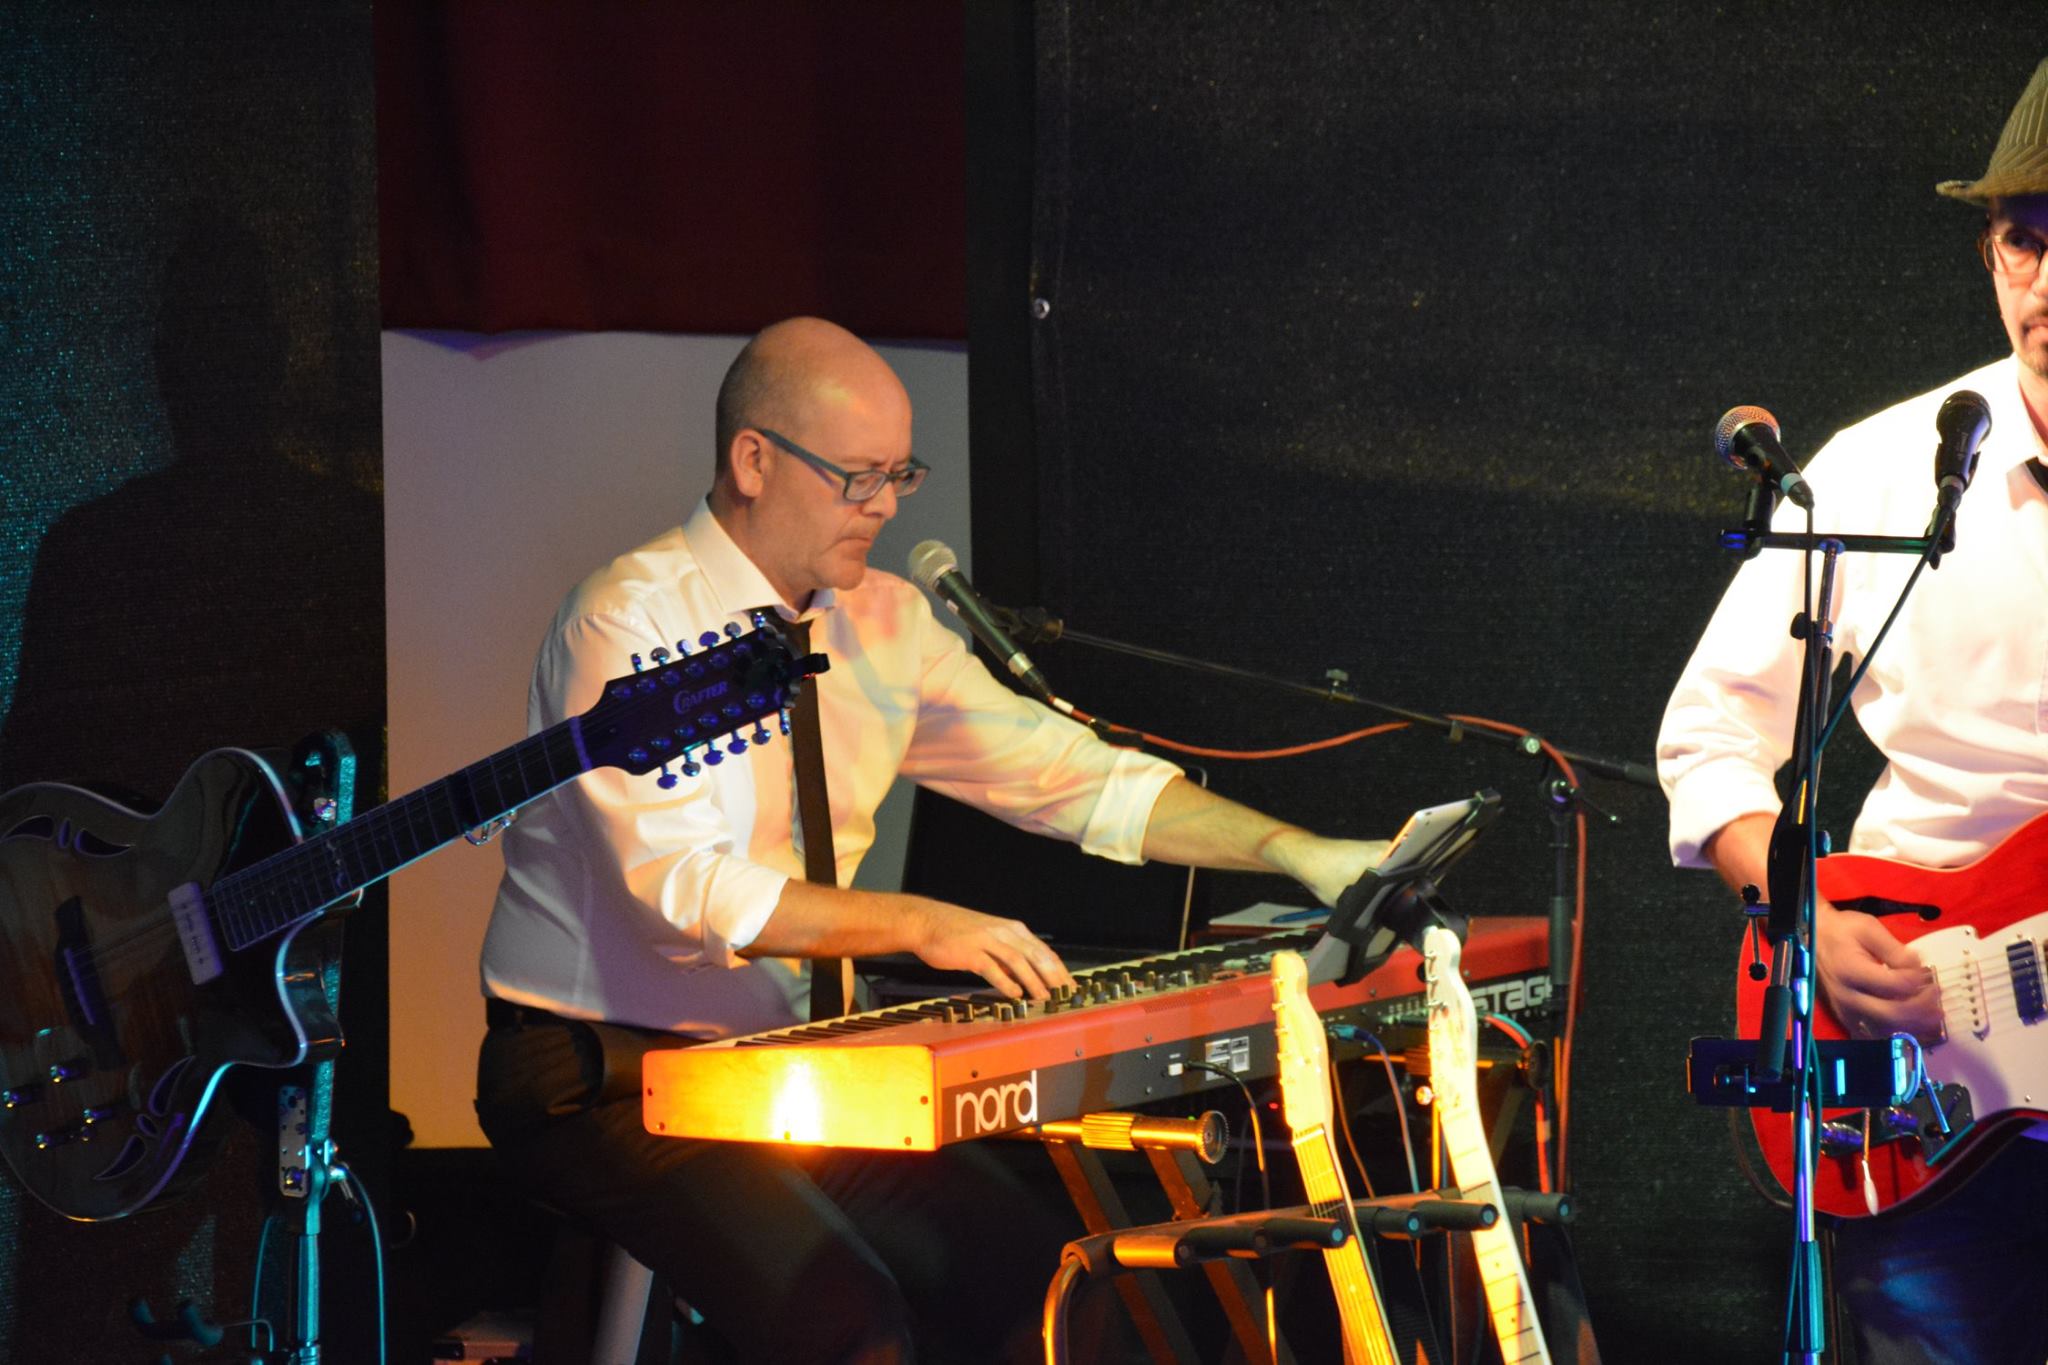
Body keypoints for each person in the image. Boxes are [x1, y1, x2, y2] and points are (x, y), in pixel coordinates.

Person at [474, 316, 1387, 1363]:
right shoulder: (627, 622)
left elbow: (1072, 778)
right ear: (754, 461)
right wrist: (921, 923)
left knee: (1053, 1285)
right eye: (857, 478)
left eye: (899, 475)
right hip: (607, 1074)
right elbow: (686, 895)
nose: (886, 506)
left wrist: (1293, 852)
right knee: (849, 1323)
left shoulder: (883, 621)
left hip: (792, 1068)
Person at [1657, 59, 2048, 1364]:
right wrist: (1802, 919)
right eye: (2022, 242)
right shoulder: (1884, 471)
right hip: (1927, 1063)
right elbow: (1710, 735)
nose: (2043, 284)